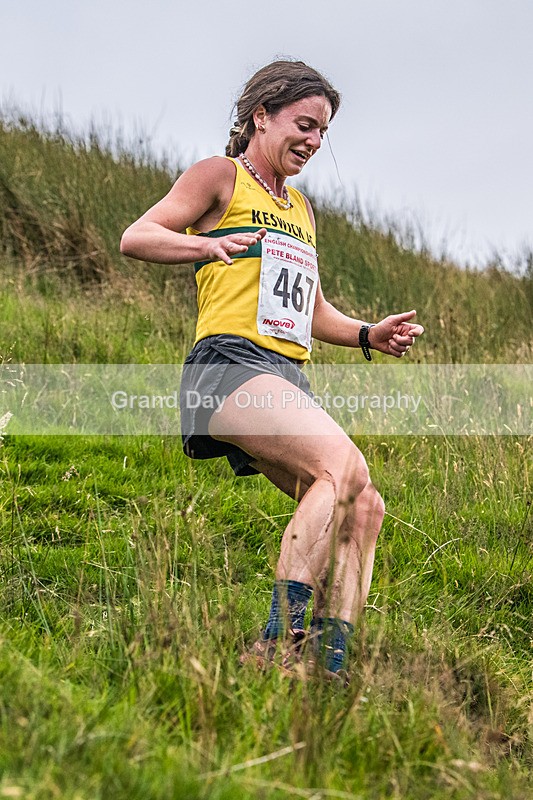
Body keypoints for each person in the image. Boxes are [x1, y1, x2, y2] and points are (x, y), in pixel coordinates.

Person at [120, 60, 424, 680]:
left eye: (322, 133)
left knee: (363, 504)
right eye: (304, 124)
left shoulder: (303, 211)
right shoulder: (221, 176)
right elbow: (138, 236)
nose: (313, 141)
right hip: (228, 366)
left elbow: (309, 308)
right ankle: (273, 646)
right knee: (339, 469)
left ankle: (326, 664)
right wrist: (205, 245)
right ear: (261, 115)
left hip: (285, 374)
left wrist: (368, 334)